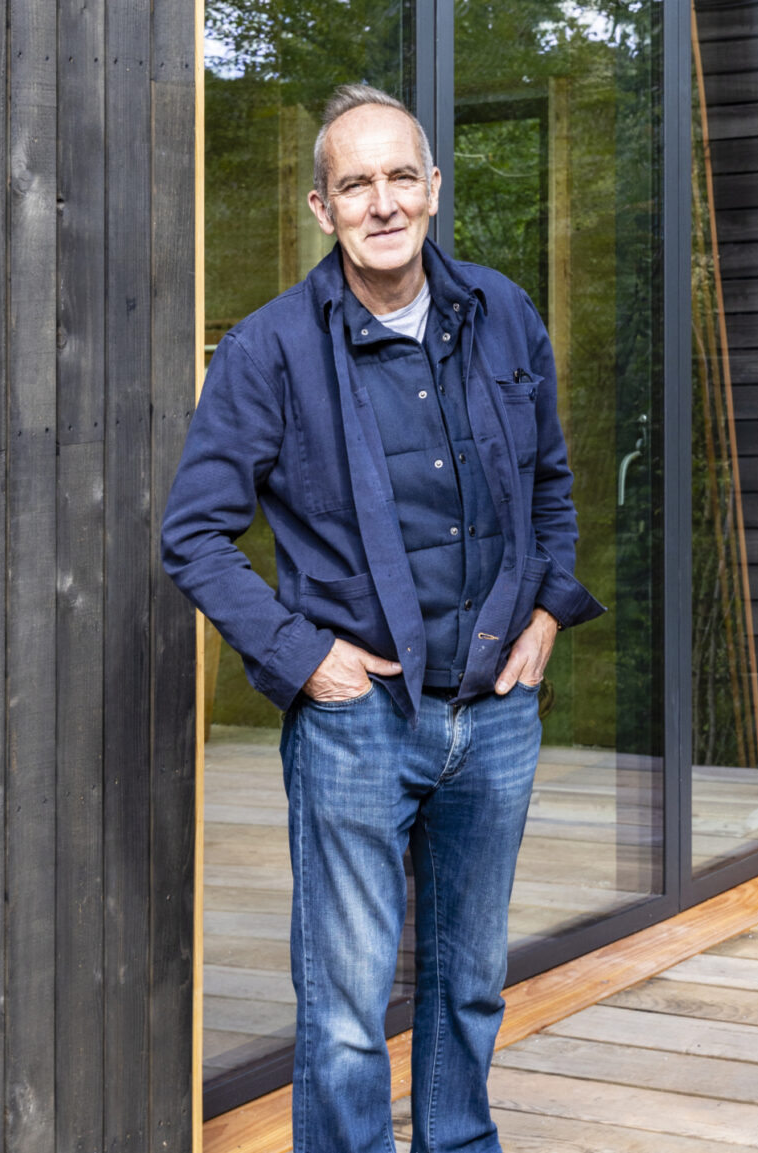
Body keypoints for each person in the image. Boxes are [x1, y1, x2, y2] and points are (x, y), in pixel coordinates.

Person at [162, 84, 603, 1153]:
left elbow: (549, 479)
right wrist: (304, 659)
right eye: (355, 183)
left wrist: (547, 613)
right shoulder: (269, 351)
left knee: (470, 987)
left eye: (400, 176)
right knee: (350, 1013)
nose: (382, 201)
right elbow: (194, 535)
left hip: (495, 713)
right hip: (358, 725)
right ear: (323, 208)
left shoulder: (501, 312)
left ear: (434, 189)